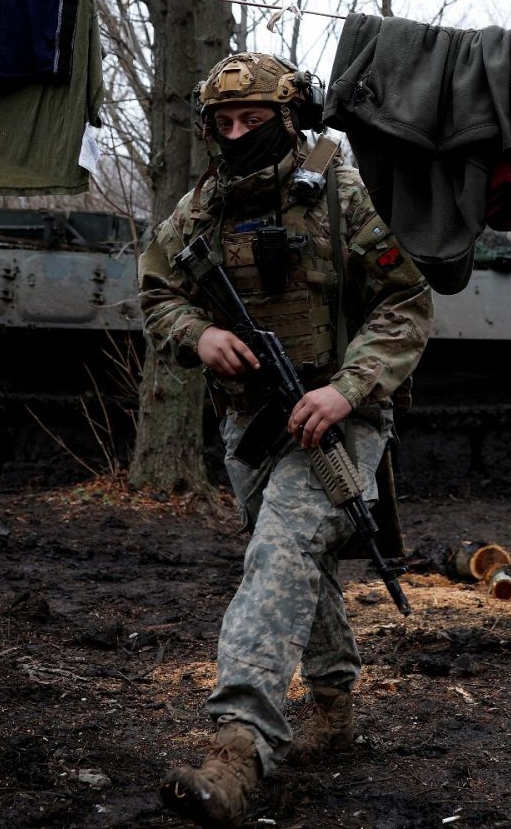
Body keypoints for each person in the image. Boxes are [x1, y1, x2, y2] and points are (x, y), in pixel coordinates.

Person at [137, 52, 433, 828]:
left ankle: (239, 747)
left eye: (253, 121)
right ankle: (332, 704)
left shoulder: (339, 192)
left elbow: (406, 303)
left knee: (282, 545)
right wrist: (197, 335)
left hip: (341, 412)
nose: (237, 134)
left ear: (287, 117)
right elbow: (156, 292)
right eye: (224, 123)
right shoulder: (201, 209)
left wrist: (346, 388)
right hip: (251, 423)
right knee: (298, 557)